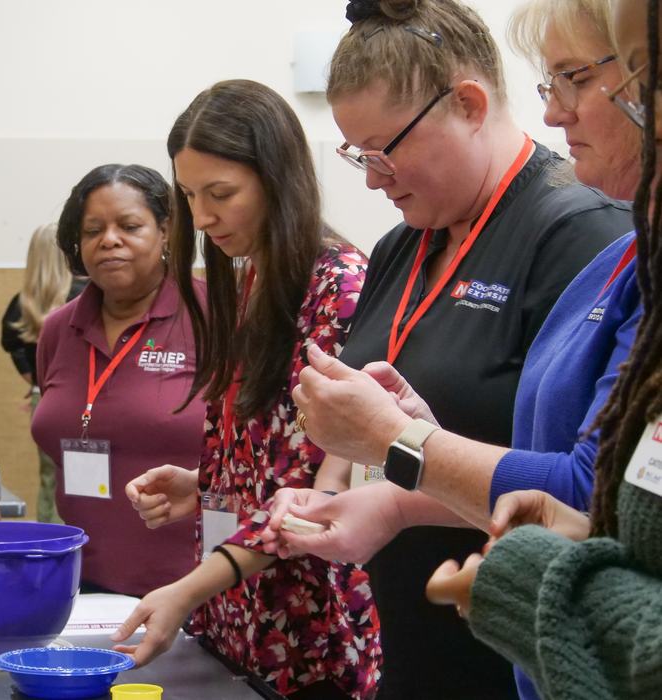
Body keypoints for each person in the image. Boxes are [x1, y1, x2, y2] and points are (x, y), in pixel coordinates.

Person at [260, 1, 633, 698]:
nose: (372, 177)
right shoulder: (404, 244)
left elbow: (589, 491)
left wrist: (400, 444)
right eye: (356, 154)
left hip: (518, 641)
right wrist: (376, 487)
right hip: (413, 632)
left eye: (384, 150)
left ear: (467, 104)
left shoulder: (581, 231)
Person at [424, 3, 662, 696]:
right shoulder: (621, 260)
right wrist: (580, 535)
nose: (554, 114)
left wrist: (403, 443)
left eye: (575, 78)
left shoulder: (572, 230)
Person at [118, 80, 379, 700]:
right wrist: (208, 484)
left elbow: (312, 497)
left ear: (277, 178)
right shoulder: (253, 281)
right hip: (240, 620)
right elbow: (267, 452)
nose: (202, 217)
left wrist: (186, 591)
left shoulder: (339, 287)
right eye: (188, 196)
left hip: (310, 635)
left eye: (221, 194)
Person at [30, 164, 203, 597]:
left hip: (194, 589)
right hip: (80, 587)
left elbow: (257, 453)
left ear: (165, 232)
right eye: (93, 230)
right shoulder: (57, 329)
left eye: (129, 226)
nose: (109, 240)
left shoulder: (212, 317)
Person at [0, 222, 86, 523]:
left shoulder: (22, 302)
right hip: (81, 401)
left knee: (49, 479)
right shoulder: (84, 296)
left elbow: (12, 344)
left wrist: (38, 380)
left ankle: (46, 541)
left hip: (44, 399)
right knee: (83, 481)